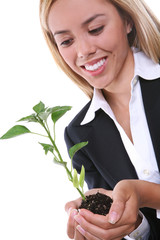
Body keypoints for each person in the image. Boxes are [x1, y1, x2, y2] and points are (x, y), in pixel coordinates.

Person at [39, 0, 160, 239]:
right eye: (66, 41)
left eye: (95, 29)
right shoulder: (79, 133)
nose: (84, 51)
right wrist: (128, 225)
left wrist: (144, 194)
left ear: (128, 20)